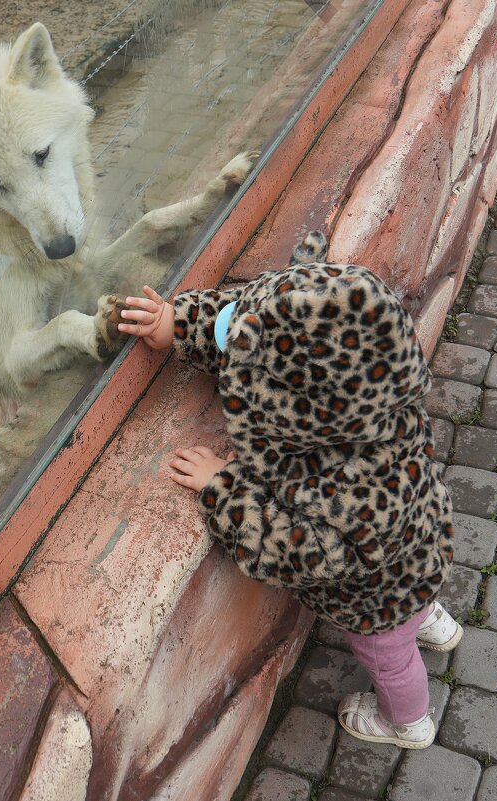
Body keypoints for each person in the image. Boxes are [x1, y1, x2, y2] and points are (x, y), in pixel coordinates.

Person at [116, 254, 462, 749]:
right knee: (415, 597)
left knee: (389, 656)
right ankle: (431, 620)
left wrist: (225, 488)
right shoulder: (372, 392)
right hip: (422, 548)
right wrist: (178, 323)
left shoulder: (354, 498)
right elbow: (254, 329)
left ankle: (407, 722)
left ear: (294, 407)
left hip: (375, 597)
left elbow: (293, 550)